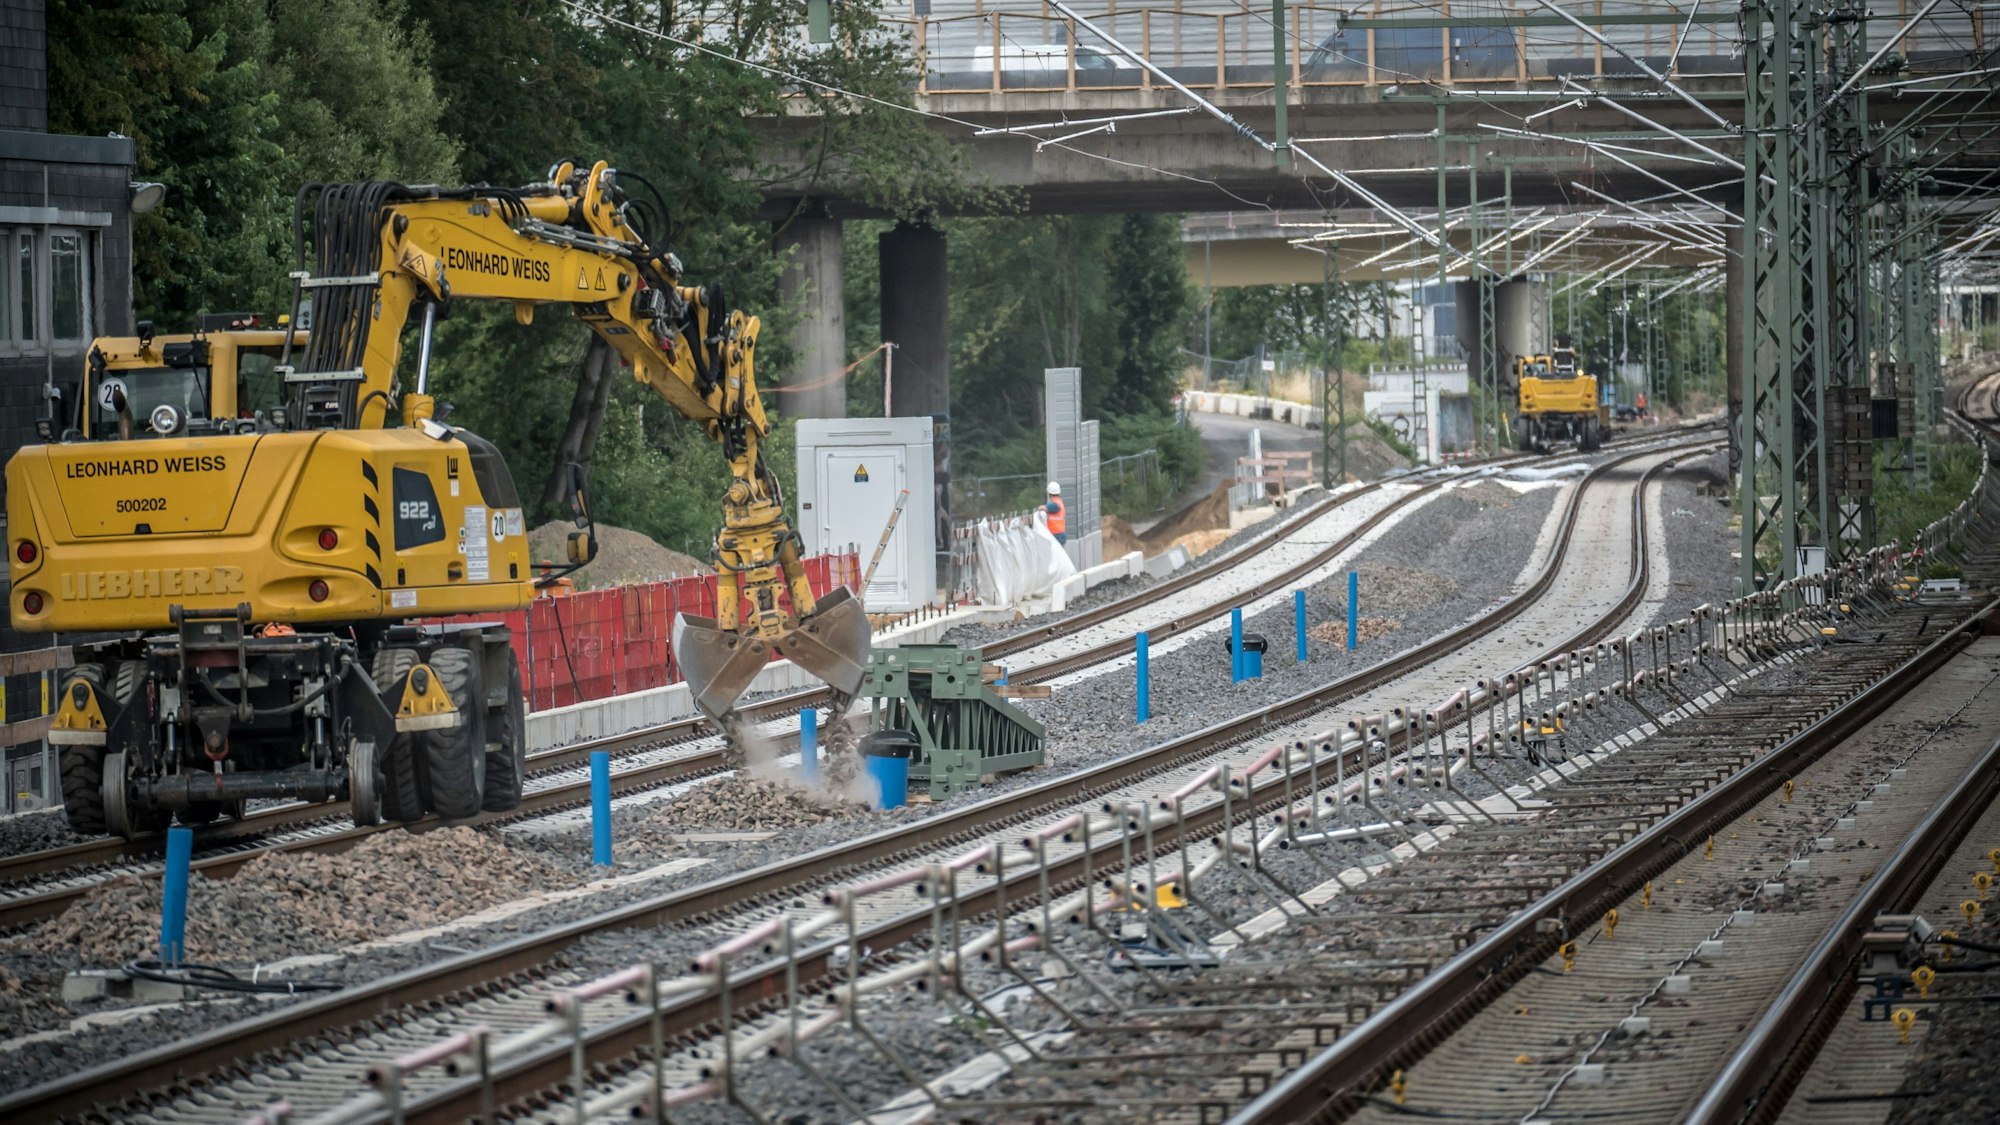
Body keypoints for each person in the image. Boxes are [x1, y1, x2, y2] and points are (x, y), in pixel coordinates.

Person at [1044, 481, 1067, 545]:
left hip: (1056, 535)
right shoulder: (1059, 502)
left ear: (1049, 493)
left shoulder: (1055, 504)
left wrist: (1040, 508)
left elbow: (1045, 508)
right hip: (1059, 534)